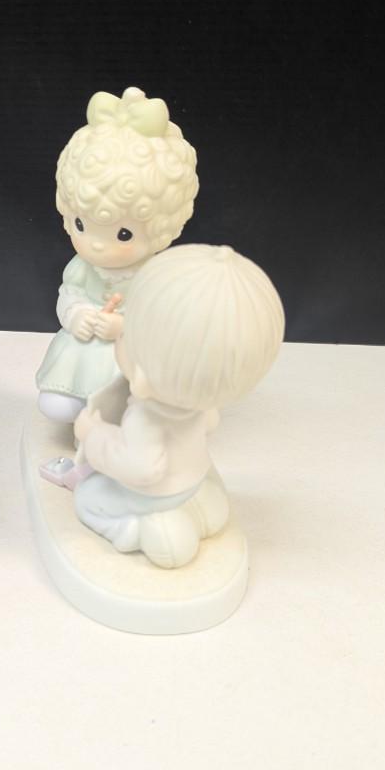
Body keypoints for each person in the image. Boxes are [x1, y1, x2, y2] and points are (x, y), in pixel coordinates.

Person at [73, 244, 284, 569]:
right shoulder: (200, 402)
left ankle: (136, 529)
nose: (121, 336)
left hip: (149, 495)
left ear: (142, 376)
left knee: (88, 498)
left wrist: (93, 434)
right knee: (201, 499)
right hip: (194, 478)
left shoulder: (145, 418)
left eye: (125, 336)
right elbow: (210, 424)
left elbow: (139, 469)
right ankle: (198, 510)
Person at [36, 87, 199, 424]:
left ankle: (122, 418)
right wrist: (76, 314)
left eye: (123, 234)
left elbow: (163, 320)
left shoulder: (155, 274)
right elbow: (70, 293)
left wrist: (124, 327)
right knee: (57, 406)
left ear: (162, 226)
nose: (96, 246)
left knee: (131, 408)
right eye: (81, 225)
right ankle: (78, 404)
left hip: (132, 356)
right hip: (82, 352)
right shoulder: (83, 267)